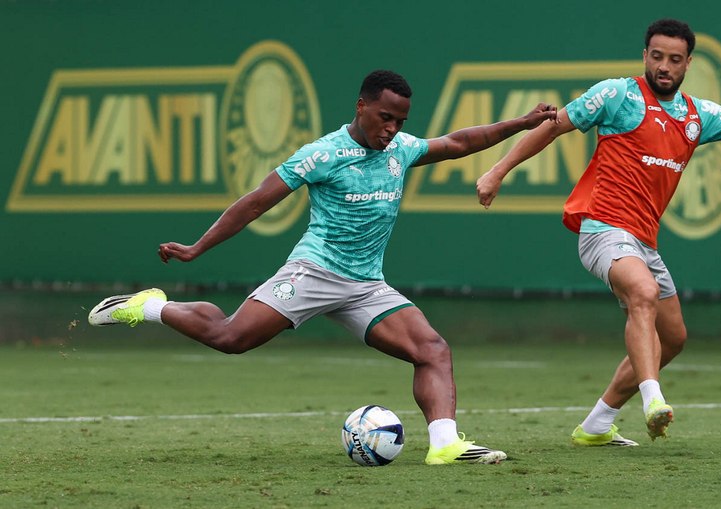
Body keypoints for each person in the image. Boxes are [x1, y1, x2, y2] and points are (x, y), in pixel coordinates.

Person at [89, 70, 557, 465]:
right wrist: (196, 249)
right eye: (385, 117)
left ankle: (445, 445)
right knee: (231, 338)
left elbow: (458, 142)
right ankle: (151, 307)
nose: (392, 128)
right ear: (361, 106)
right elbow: (254, 203)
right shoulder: (323, 154)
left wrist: (522, 122)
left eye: (400, 121)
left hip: (366, 285)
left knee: (432, 349)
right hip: (313, 273)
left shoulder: (402, 150)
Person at [477, 18, 721, 446]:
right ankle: (654, 402)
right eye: (657, 57)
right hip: (602, 229)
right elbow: (553, 125)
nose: (664, 66)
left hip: (643, 242)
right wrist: (497, 171)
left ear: (688, 63)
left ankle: (597, 424)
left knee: (672, 339)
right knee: (643, 293)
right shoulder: (616, 94)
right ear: (645, 57)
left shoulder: (699, 115)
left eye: (674, 59)